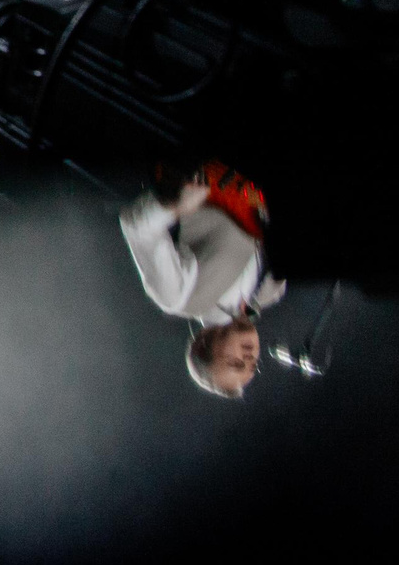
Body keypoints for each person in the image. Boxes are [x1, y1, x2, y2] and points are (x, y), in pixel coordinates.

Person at [118, 163, 286, 399]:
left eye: (235, 363)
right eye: (252, 365)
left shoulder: (179, 299)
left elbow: (137, 229)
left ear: (202, 344)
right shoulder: (271, 292)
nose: (249, 358)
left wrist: (175, 204)